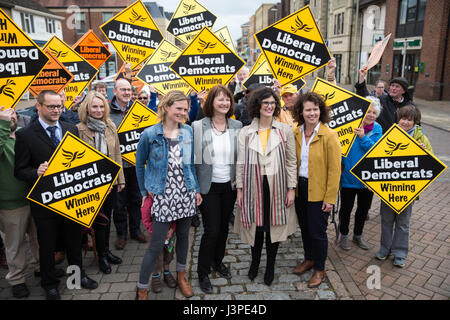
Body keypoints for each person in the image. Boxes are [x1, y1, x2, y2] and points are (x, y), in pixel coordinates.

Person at [14, 90, 98, 300]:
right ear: (39, 107)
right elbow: (19, 170)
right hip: (45, 203)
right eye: (51, 106)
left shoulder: (70, 128)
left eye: (59, 106)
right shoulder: (25, 135)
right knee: (48, 245)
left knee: (74, 241)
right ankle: (49, 283)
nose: (56, 110)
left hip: (70, 199)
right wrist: (36, 172)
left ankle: (76, 277)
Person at [135, 90, 202, 300]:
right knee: (156, 244)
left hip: (185, 194)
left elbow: (190, 164)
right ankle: (142, 287)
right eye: (178, 109)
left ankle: (181, 276)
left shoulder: (188, 132)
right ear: (166, 107)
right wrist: (145, 193)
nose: (182, 113)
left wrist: (196, 189)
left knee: (183, 238)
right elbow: (139, 165)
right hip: (162, 196)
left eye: (185, 109)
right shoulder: (150, 134)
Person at [234, 86, 297, 286]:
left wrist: (291, 188)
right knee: (256, 227)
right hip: (254, 186)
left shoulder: (285, 130)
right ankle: (254, 262)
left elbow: (291, 161)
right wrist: (240, 189)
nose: (269, 106)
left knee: (273, 228)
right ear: (257, 105)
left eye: (272, 103)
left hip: (277, 186)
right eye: (265, 103)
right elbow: (241, 162)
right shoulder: (246, 132)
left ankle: (270, 265)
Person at [192, 85, 242, 293]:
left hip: (228, 186)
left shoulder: (237, 126)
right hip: (208, 187)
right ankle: (202, 272)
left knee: (223, 229)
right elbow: (192, 160)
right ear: (211, 101)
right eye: (220, 99)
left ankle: (217, 261)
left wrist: (239, 186)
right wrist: (194, 188)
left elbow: (241, 159)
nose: (224, 103)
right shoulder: (197, 126)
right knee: (211, 230)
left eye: (227, 99)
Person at [291, 92, 341, 288]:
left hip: (319, 192)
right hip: (300, 188)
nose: (312, 113)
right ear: (301, 112)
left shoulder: (329, 135)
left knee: (317, 232)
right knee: (304, 228)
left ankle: (319, 268)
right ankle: (309, 258)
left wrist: (330, 198)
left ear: (321, 111)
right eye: (308, 110)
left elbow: (335, 170)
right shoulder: (296, 132)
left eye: (315, 109)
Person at [376, 105, 432, 268]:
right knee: (386, 220)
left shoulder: (421, 138)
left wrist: (424, 153)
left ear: (415, 122)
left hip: (408, 190)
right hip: (388, 188)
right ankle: (384, 249)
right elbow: (378, 158)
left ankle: (400, 253)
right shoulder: (390, 135)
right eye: (403, 118)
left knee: (403, 222)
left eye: (409, 120)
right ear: (398, 119)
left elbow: (431, 164)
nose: (405, 122)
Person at [76, 91, 126, 273]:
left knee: (108, 217)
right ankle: (101, 257)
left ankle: (106, 251)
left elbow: (117, 154)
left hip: (110, 182)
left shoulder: (110, 126)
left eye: (101, 106)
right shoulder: (78, 129)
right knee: (98, 221)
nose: (98, 110)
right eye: (94, 106)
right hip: (91, 185)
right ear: (87, 108)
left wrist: (120, 179)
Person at [0, 107, 40, 298]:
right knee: (14, 244)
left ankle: (41, 266)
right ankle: (16, 279)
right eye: (4, 114)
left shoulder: (23, 136)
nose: (10, 116)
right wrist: (2, 124)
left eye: (12, 113)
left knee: (38, 237)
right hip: (12, 203)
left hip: (35, 196)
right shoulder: (2, 140)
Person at [338, 96, 383, 251]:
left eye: (374, 112)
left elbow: (377, 151)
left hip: (367, 180)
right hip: (348, 177)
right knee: (346, 209)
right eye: (367, 111)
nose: (370, 115)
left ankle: (358, 235)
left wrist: (363, 137)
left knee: (363, 210)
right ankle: (344, 235)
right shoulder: (350, 126)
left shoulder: (378, 129)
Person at [109, 78, 147, 250]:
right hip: (118, 166)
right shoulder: (107, 112)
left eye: (128, 90)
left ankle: (136, 230)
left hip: (137, 166)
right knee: (119, 203)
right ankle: (121, 234)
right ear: (115, 91)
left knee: (137, 199)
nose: (126, 93)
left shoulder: (139, 110)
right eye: (122, 89)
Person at [356, 66, 412, 133]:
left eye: (397, 87)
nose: (393, 88)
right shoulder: (381, 100)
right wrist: (361, 77)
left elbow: (416, 126)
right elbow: (365, 98)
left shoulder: (410, 106)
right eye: (392, 85)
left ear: (404, 91)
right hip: (380, 139)